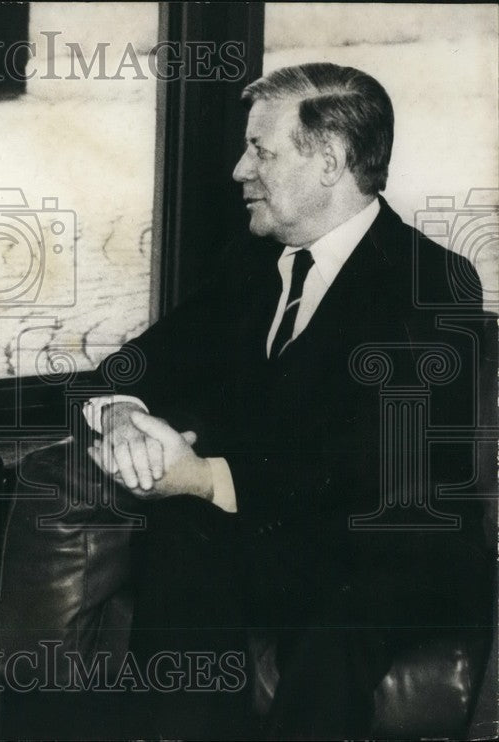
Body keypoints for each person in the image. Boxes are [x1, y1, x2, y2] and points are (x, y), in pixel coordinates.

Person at [77, 63, 495, 737]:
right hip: (280, 536)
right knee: (178, 538)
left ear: (329, 162)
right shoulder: (250, 264)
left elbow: (373, 465)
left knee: (337, 618)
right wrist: (123, 412)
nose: (240, 170)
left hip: (389, 545)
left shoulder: (432, 281)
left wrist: (203, 477)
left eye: (261, 151)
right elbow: (142, 361)